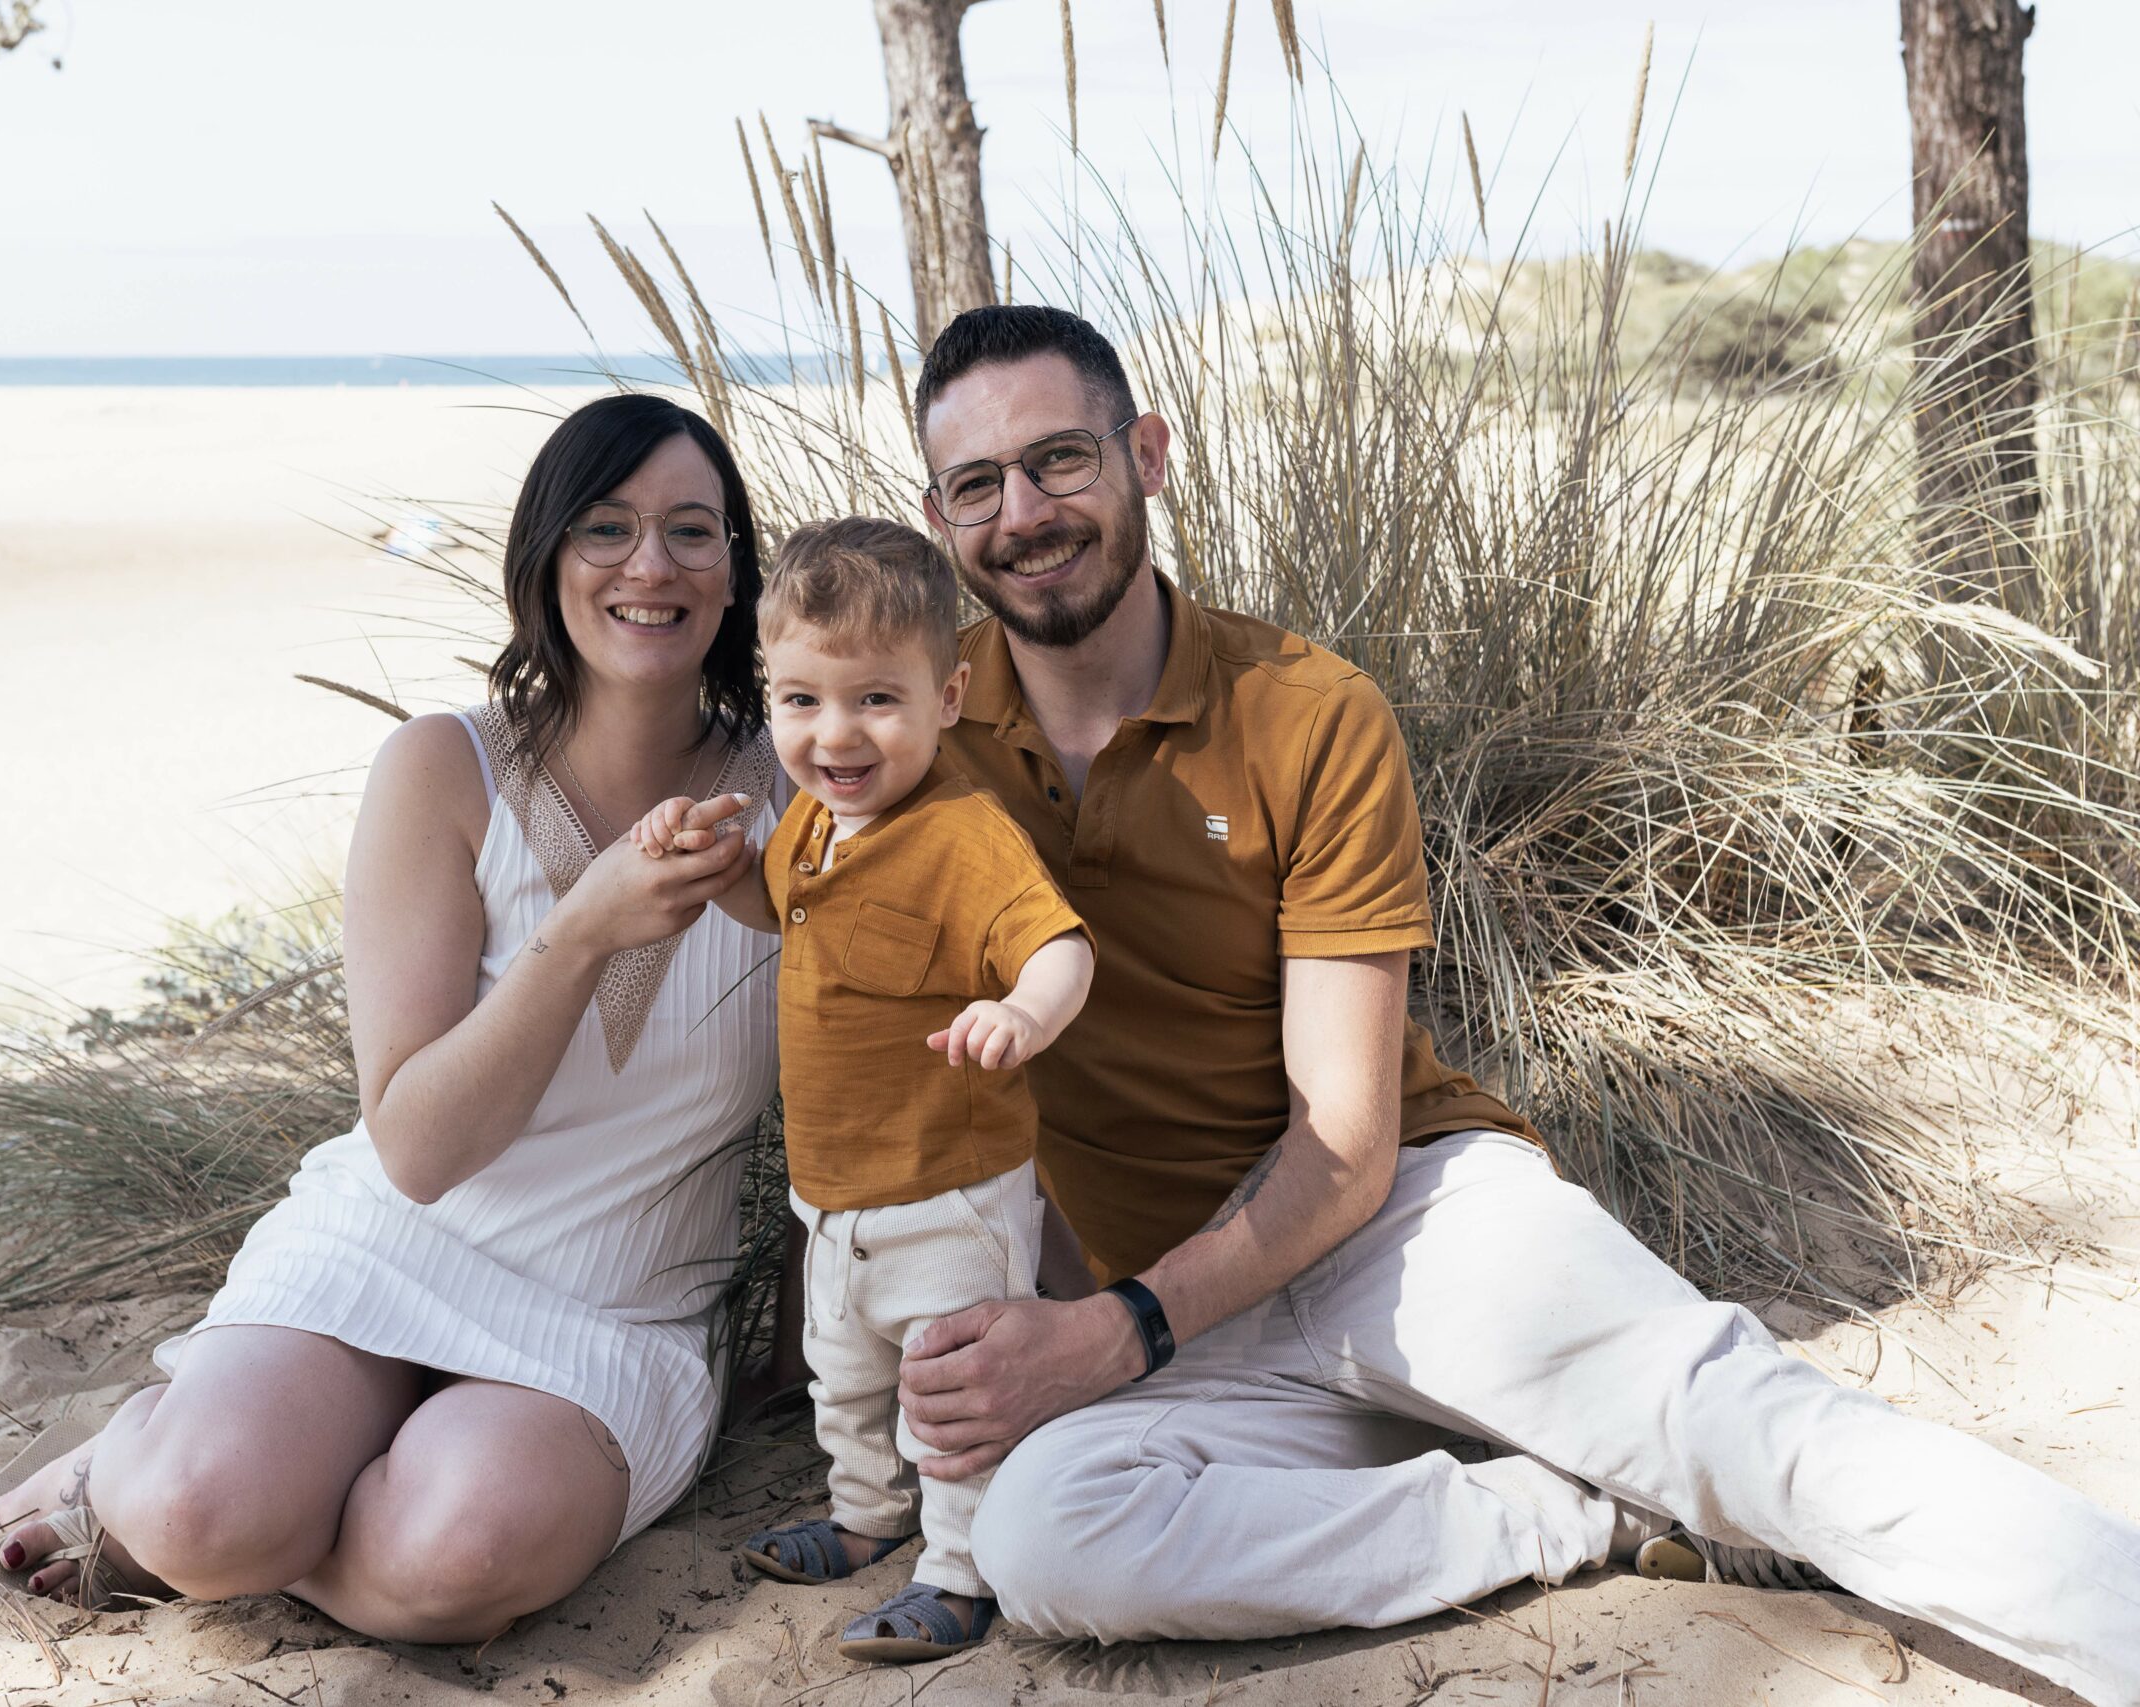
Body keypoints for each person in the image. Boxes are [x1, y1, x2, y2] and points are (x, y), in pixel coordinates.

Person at [886, 304, 2140, 1706]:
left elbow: (1346, 1145)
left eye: (1060, 459)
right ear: (937, 517)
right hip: (1187, 1311)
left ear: (1148, 455)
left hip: (1398, 1222)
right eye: (976, 485)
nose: (1025, 512)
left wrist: (1110, 1330)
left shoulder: (1307, 712)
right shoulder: (919, 737)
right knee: (1053, 1541)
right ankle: (1567, 1510)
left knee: (1747, 1427)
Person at [0, 393, 784, 1640]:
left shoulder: (804, 791)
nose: (649, 565)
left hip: (616, 1312)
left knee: (446, 1562)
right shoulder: (447, 769)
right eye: (605, 527)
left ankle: (276, 1506)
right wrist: (582, 927)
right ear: (544, 563)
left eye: (692, 531)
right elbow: (420, 1151)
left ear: (734, 572)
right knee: (203, 1512)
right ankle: (152, 1464)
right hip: (394, 1245)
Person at [631, 517, 1094, 1664]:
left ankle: (958, 1568)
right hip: (832, 1197)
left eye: (876, 701)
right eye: (801, 702)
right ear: (772, 695)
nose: (835, 735)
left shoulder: (962, 838)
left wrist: (1022, 1013)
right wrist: (713, 866)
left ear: (949, 696)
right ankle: (864, 1514)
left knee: (951, 1396)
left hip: (949, 1191)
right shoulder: (812, 830)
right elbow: (776, 912)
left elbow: (1060, 948)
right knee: (846, 1378)